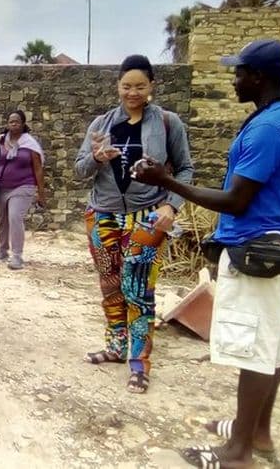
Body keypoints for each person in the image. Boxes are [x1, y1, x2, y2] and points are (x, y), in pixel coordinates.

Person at [133, 39, 280, 468]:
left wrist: (166, 181)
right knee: (271, 345)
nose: (234, 79)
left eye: (240, 72)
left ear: (259, 77)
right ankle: (256, 433)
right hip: (268, 242)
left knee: (256, 350)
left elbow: (236, 201)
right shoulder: (278, 118)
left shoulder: (268, 128)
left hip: (254, 248)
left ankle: (237, 453)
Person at [74, 54, 193, 394]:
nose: (133, 93)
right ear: (118, 86)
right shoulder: (101, 125)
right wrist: (97, 158)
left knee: (138, 290)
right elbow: (79, 169)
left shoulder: (169, 123)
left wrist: (172, 205)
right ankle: (115, 347)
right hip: (102, 214)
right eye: (127, 86)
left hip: (148, 215)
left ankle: (139, 364)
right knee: (110, 286)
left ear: (152, 86)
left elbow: (184, 168)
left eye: (140, 86)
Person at [0, 110, 45, 270]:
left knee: (15, 217)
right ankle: (2, 251)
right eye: (11, 121)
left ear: (23, 124)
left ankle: (17, 256)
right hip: (0, 186)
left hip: (22, 186)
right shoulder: (0, 141)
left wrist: (41, 193)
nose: (13, 124)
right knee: (1, 220)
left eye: (17, 121)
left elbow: (38, 169)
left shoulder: (30, 145)